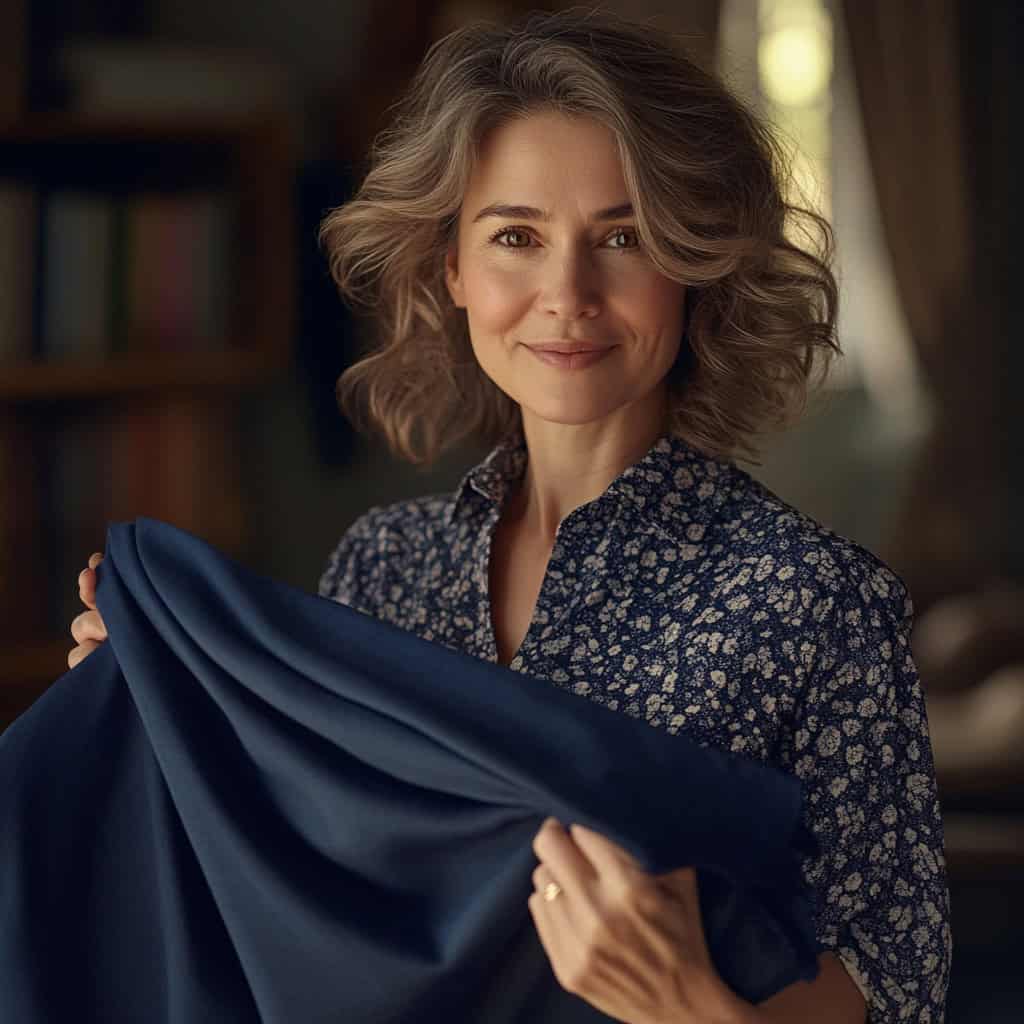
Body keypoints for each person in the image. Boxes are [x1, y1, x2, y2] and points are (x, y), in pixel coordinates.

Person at [68, 7, 951, 1023]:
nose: (565, 294)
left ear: (695, 264)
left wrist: (689, 1004)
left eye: (621, 236)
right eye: (516, 237)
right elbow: (291, 893)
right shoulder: (382, 568)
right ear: (452, 268)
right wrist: (167, 714)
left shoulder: (817, 600)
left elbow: (898, 989)